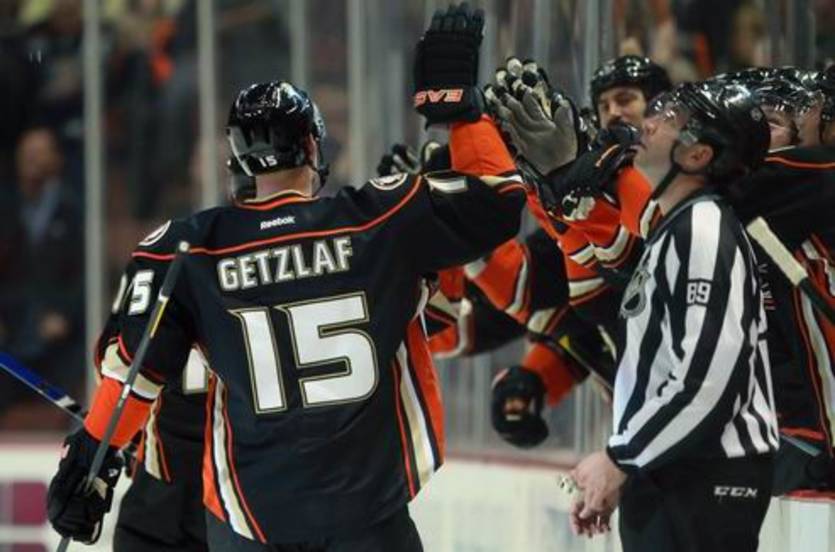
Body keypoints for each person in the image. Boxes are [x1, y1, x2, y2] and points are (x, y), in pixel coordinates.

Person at [46, 4, 528, 550]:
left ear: (237, 161)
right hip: (369, 514)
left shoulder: (187, 248)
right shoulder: (380, 217)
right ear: (313, 146)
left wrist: (89, 459)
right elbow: (499, 199)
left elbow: (135, 377)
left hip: (252, 521)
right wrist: (459, 113)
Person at [569, 82, 778, 551]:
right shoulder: (677, 229)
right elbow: (665, 371)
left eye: (668, 120)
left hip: (705, 476)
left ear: (698, 155)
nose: (647, 124)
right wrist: (628, 463)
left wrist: (621, 457)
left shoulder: (703, 231)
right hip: (673, 469)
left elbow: (706, 380)